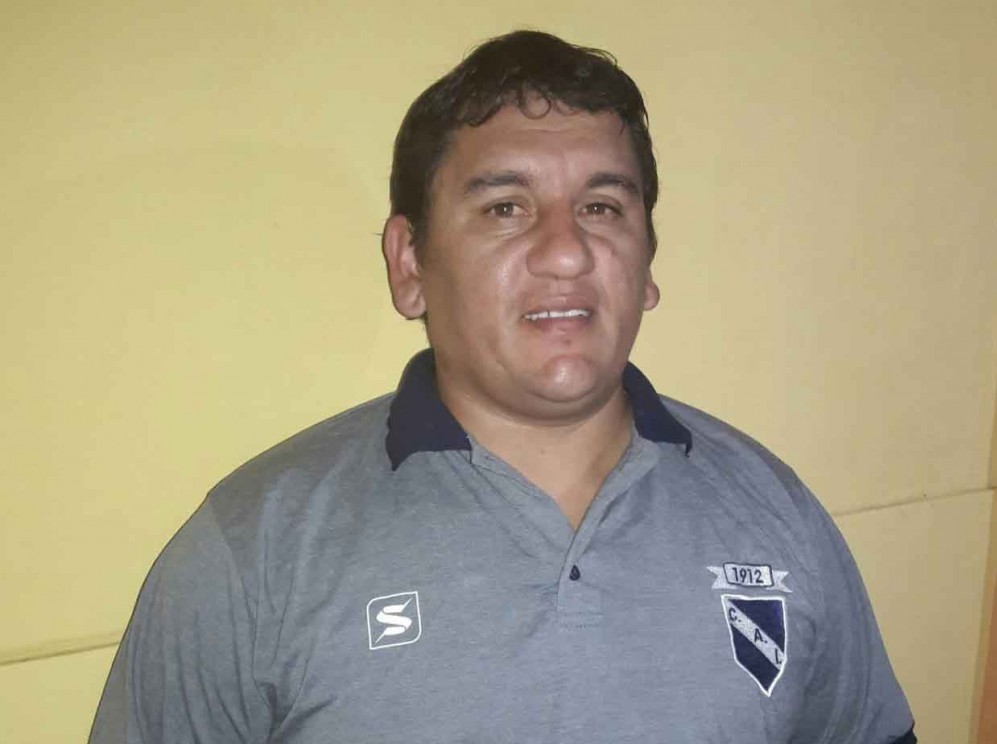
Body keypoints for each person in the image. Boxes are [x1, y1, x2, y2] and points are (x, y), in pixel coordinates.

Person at [91, 30, 916, 743]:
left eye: (602, 207)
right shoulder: (255, 550)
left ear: (648, 263)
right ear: (409, 264)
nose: (567, 251)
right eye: (505, 209)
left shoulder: (776, 514)